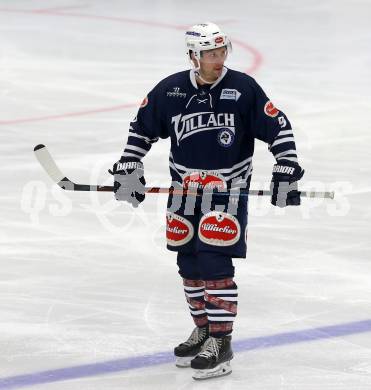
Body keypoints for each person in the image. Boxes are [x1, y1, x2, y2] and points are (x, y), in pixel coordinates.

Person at [112, 22, 304, 380]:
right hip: (183, 195)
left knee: (215, 264)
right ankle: (202, 330)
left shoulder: (243, 89)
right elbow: (141, 128)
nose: (218, 60)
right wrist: (129, 164)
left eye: (221, 53)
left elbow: (279, 128)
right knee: (189, 264)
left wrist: (287, 166)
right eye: (210, 55)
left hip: (226, 195)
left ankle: (221, 342)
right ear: (193, 56)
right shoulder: (170, 90)